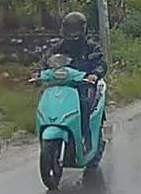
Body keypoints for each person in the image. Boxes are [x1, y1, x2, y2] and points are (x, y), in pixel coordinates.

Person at [42, 12, 106, 149]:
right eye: (70, 28)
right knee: (49, 103)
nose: (73, 33)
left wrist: (95, 74)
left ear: (83, 29)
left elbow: (100, 63)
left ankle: (86, 139)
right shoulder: (58, 47)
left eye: (76, 29)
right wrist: (39, 73)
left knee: (84, 105)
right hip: (62, 85)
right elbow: (46, 61)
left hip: (84, 86)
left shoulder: (91, 47)